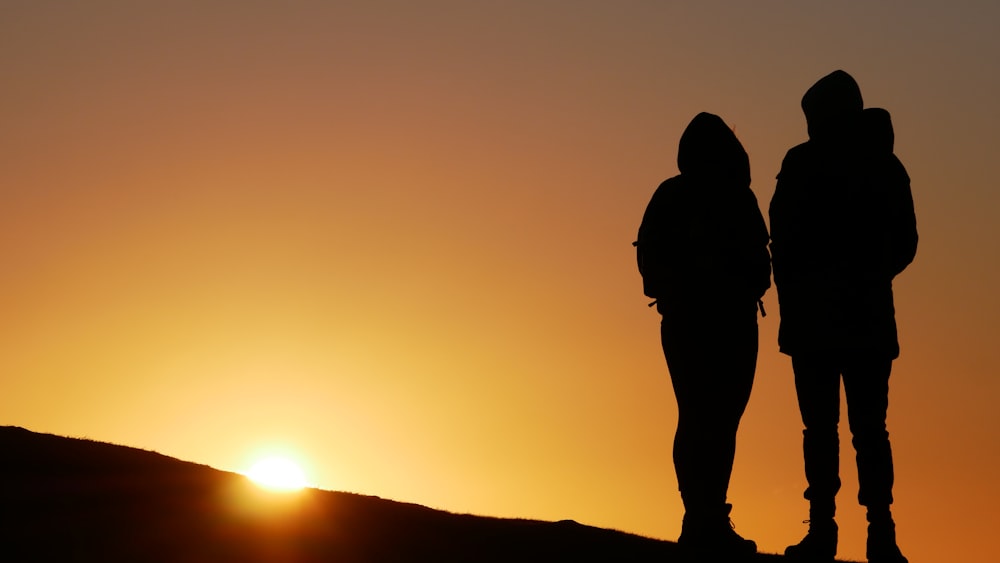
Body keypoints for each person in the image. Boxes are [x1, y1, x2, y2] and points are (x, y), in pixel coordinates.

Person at [769, 70, 917, 563]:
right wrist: (870, 276)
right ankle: (868, 532)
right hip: (857, 320)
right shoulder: (882, 164)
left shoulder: (810, 163)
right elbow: (905, 243)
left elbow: (783, 241)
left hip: (829, 321)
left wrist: (846, 276)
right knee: (862, 430)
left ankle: (848, 531)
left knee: (838, 430)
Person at [635, 112, 771, 558]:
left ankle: (705, 518)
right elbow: (651, 261)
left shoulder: (706, 196)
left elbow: (760, 264)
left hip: (716, 324)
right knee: (705, 419)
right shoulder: (723, 197)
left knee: (710, 420)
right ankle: (701, 520)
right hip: (706, 324)